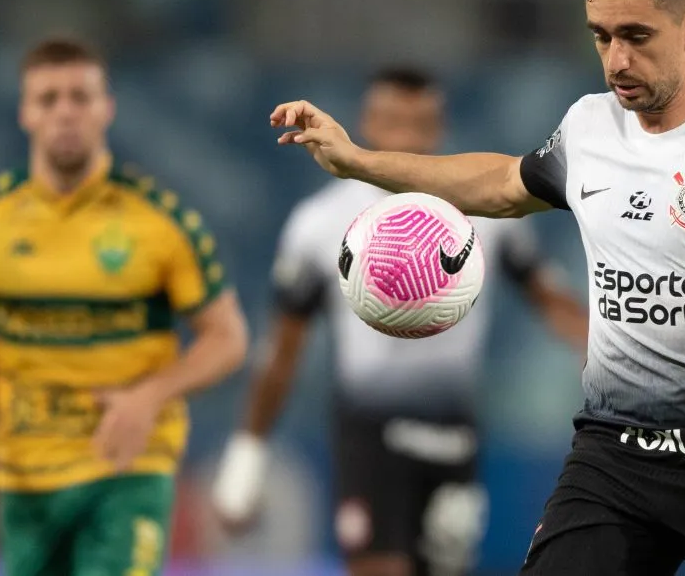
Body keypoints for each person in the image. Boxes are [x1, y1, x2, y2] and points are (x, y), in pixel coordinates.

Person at [267, 0, 685, 576]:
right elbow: (498, 184)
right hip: (614, 460)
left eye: (637, 36)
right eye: (602, 37)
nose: (616, 61)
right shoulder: (588, 126)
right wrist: (358, 160)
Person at [212, 67, 588, 576]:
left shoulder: (484, 216)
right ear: (367, 123)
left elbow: (551, 301)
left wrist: (611, 356)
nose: (407, 136)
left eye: (420, 123)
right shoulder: (320, 223)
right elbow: (282, 350)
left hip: (453, 431)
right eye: (393, 121)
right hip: (368, 433)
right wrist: (248, 450)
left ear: (439, 128)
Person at [0, 37, 249, 576]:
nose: (65, 112)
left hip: (128, 469)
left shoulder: (161, 222)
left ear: (106, 108)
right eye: (48, 98)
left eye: (80, 97)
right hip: (27, 477)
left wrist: (149, 397)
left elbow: (228, 338)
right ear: (25, 113)